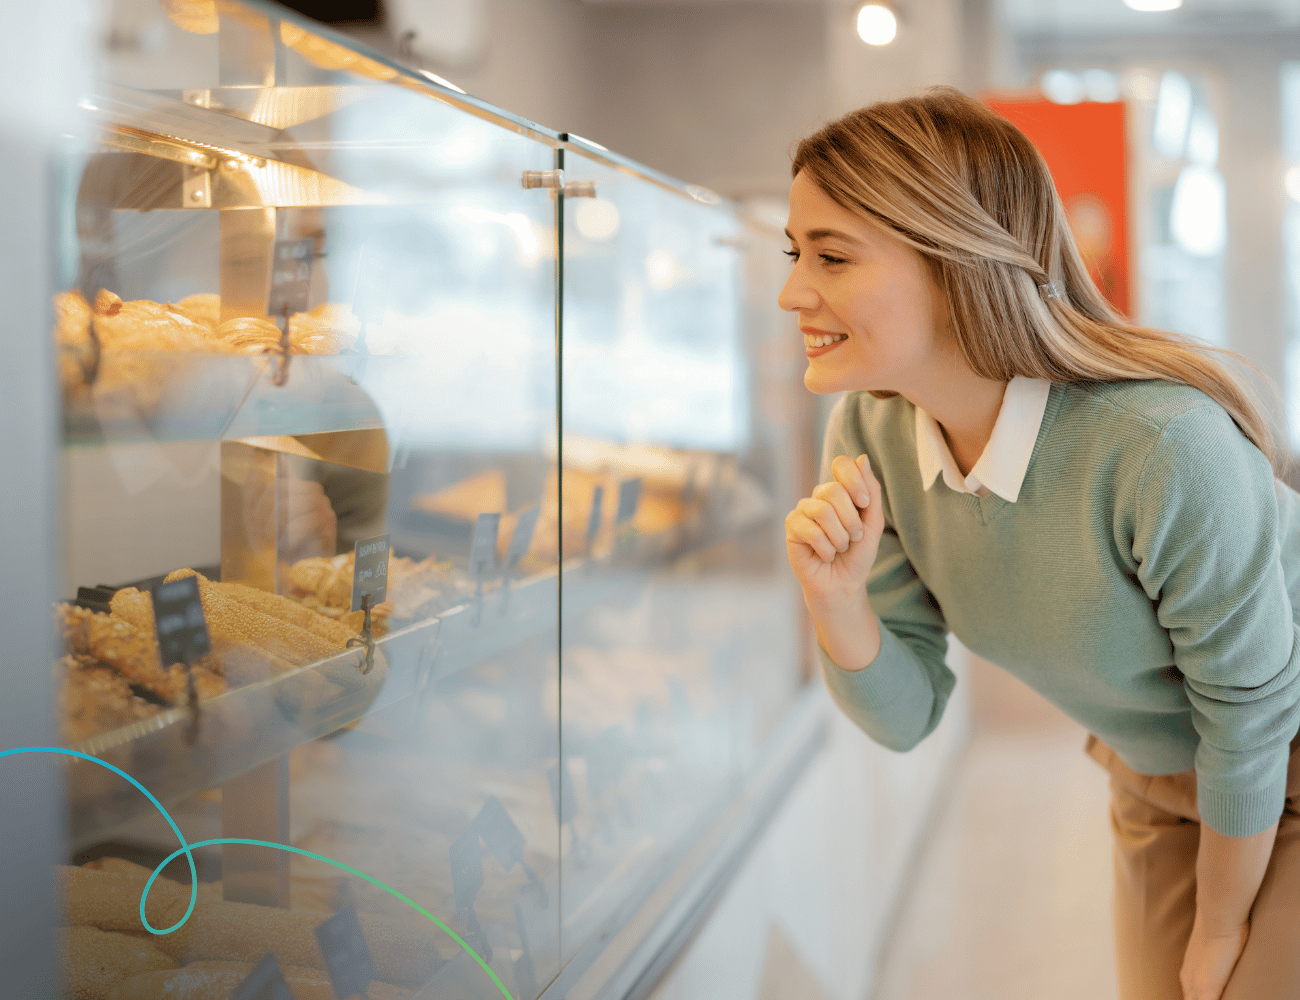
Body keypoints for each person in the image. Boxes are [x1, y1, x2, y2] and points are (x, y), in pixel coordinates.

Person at [780, 86, 1300, 1000]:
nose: (792, 292)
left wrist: (1221, 927)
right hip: (1161, 776)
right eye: (795, 253)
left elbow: (1251, 714)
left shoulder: (1162, 446)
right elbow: (906, 720)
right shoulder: (870, 435)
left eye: (832, 255)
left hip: (1273, 749)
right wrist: (836, 599)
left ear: (953, 262)